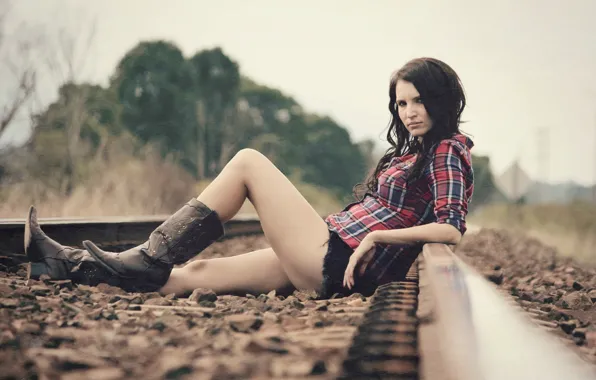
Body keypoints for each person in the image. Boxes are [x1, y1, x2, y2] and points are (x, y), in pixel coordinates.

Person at [25, 57, 474, 299]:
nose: (409, 112)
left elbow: (450, 228)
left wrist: (377, 239)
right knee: (192, 274)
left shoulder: (447, 149)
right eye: (401, 104)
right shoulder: (409, 153)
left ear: (440, 101)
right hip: (330, 250)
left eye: (418, 101)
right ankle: (64, 264)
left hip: (338, 260)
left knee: (248, 162)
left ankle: (146, 255)